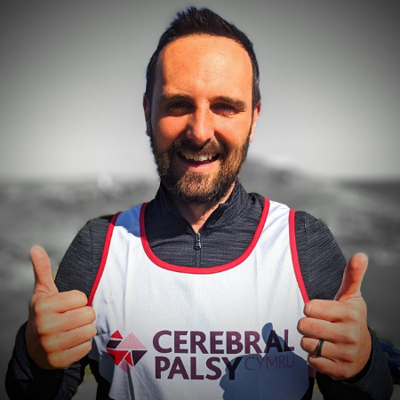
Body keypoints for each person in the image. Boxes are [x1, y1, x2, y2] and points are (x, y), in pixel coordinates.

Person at [6, 7, 393, 400]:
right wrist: (34, 357)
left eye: (225, 106)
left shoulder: (303, 243)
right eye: (177, 104)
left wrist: (361, 364)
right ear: (147, 113)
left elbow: (368, 392)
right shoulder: (99, 246)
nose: (200, 131)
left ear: (254, 119)